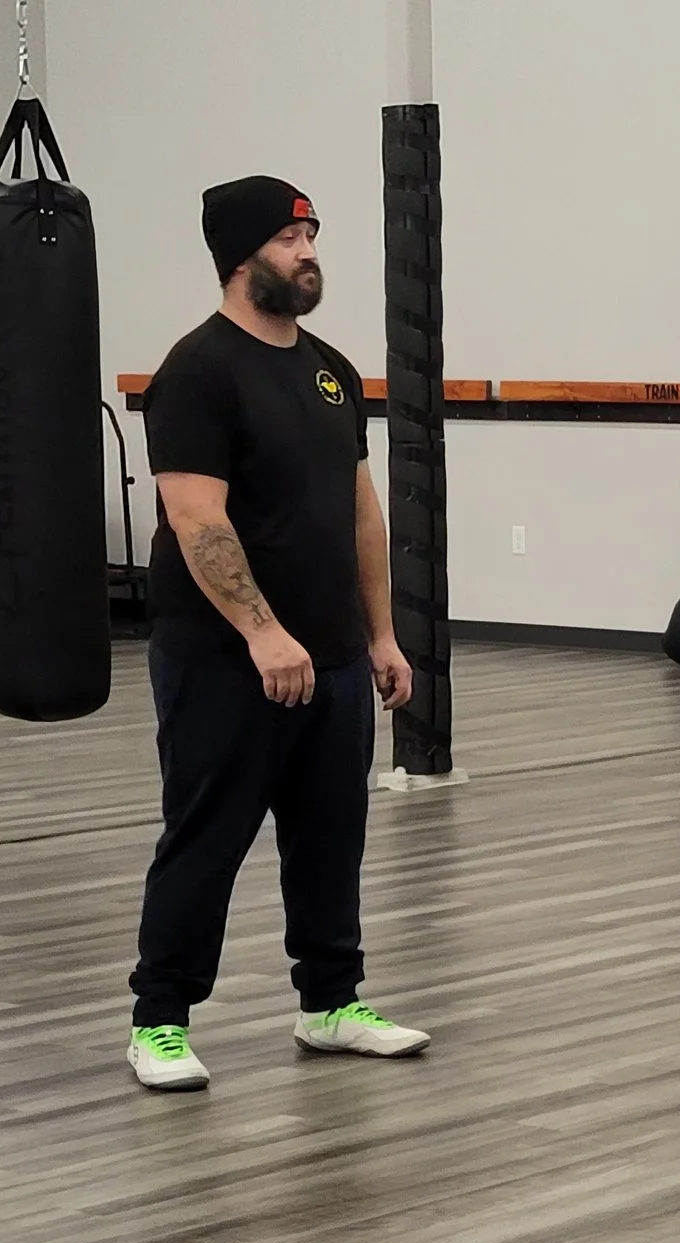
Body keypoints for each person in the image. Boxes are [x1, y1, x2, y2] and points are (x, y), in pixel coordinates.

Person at [124, 175, 429, 1092]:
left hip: (334, 657)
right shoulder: (196, 372)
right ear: (241, 256)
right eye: (292, 239)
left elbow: (360, 514)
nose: (309, 253)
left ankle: (330, 1002)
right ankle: (160, 1018)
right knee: (207, 833)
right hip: (225, 659)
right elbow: (195, 519)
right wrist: (262, 633)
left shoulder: (330, 370)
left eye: (313, 236)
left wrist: (380, 636)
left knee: (332, 835)